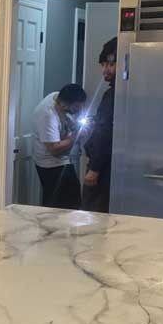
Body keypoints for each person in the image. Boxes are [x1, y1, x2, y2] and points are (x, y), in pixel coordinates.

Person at [31, 83, 87, 209]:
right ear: (63, 104)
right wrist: (75, 136)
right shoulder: (48, 115)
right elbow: (54, 149)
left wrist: (72, 124)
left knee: (59, 200)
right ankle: (53, 227)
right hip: (51, 164)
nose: (79, 110)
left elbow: (65, 116)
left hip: (58, 160)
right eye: (77, 107)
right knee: (62, 203)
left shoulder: (56, 96)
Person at [83, 38, 117, 212]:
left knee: (93, 215)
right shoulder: (120, 91)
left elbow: (105, 133)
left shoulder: (112, 95)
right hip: (111, 164)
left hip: (103, 167)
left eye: (111, 64)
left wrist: (94, 169)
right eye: (103, 64)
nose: (105, 70)